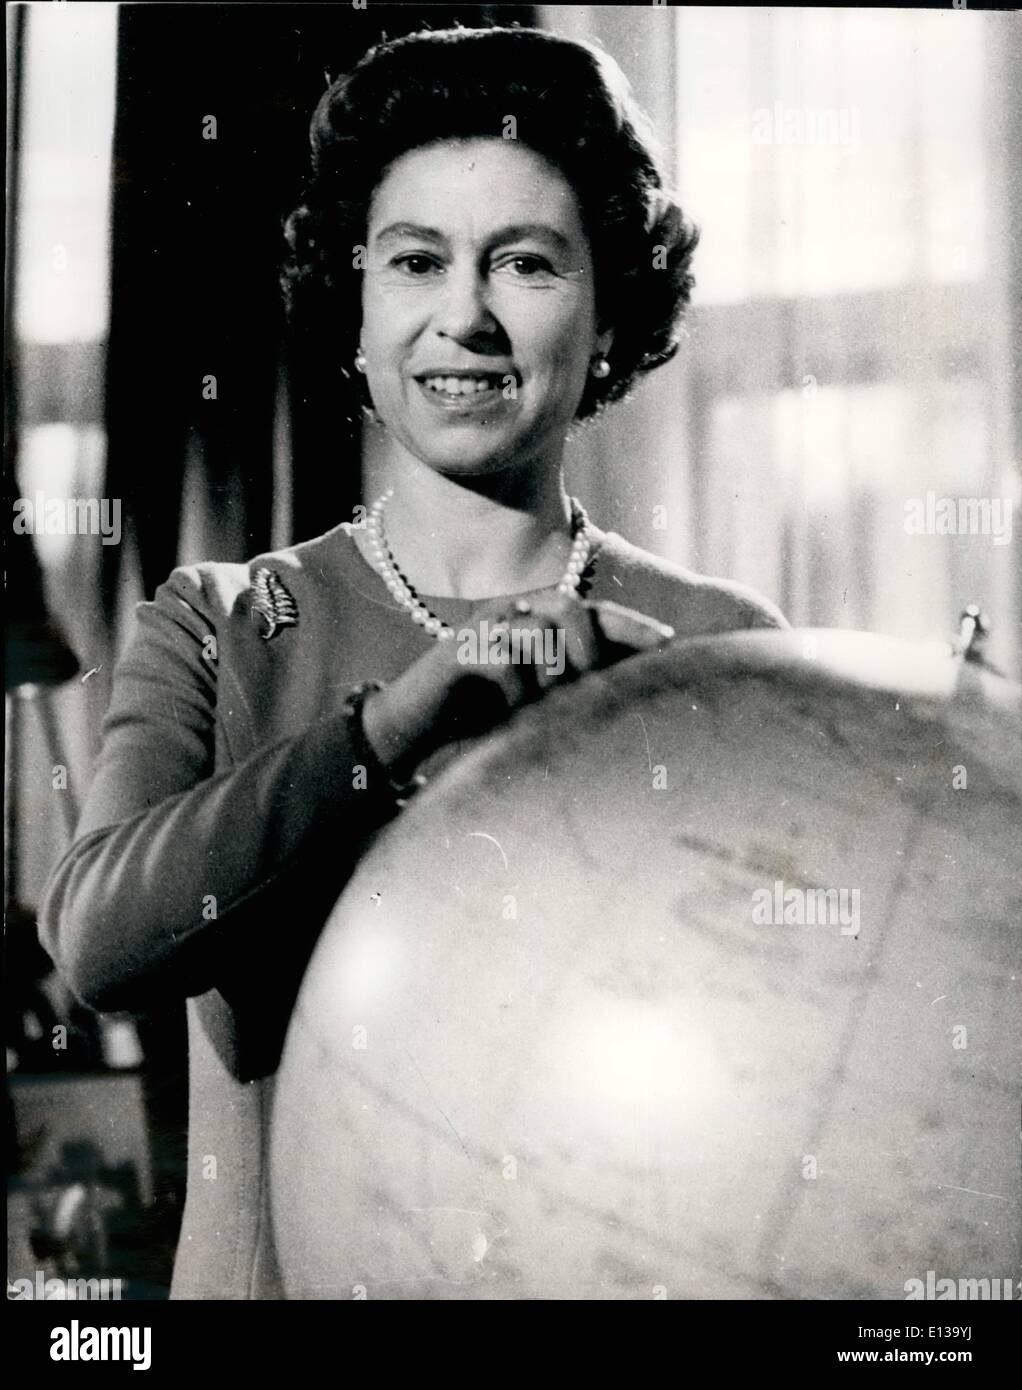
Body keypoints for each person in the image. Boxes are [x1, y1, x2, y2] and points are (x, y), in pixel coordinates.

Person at [39, 25, 787, 1300]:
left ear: (609, 310)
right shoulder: (219, 621)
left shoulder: (724, 649)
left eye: (527, 263)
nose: (465, 317)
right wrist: (390, 727)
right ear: (356, 306)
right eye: (416, 262)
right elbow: (101, 943)